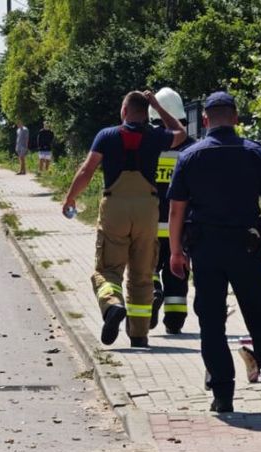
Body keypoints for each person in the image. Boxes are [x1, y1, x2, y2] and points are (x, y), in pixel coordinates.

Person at [167, 91, 261, 414]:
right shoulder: (255, 155)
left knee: (212, 323)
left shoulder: (190, 157)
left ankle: (223, 395)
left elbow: (176, 211)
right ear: (237, 118)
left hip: (206, 251)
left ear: (204, 120)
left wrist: (175, 252)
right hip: (247, 249)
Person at [62, 90, 187, 348]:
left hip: (115, 206)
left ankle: (112, 306)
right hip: (147, 211)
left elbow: (87, 170)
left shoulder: (107, 136)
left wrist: (70, 198)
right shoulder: (156, 136)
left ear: (124, 110)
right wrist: (158, 106)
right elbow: (181, 133)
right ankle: (139, 334)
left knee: (108, 269)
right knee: (142, 274)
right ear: (146, 112)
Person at [149, 86, 195, 336]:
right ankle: (175, 320)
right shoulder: (192, 148)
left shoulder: (149, 144)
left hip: (150, 222)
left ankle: (154, 290)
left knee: (148, 266)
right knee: (178, 272)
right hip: (181, 226)